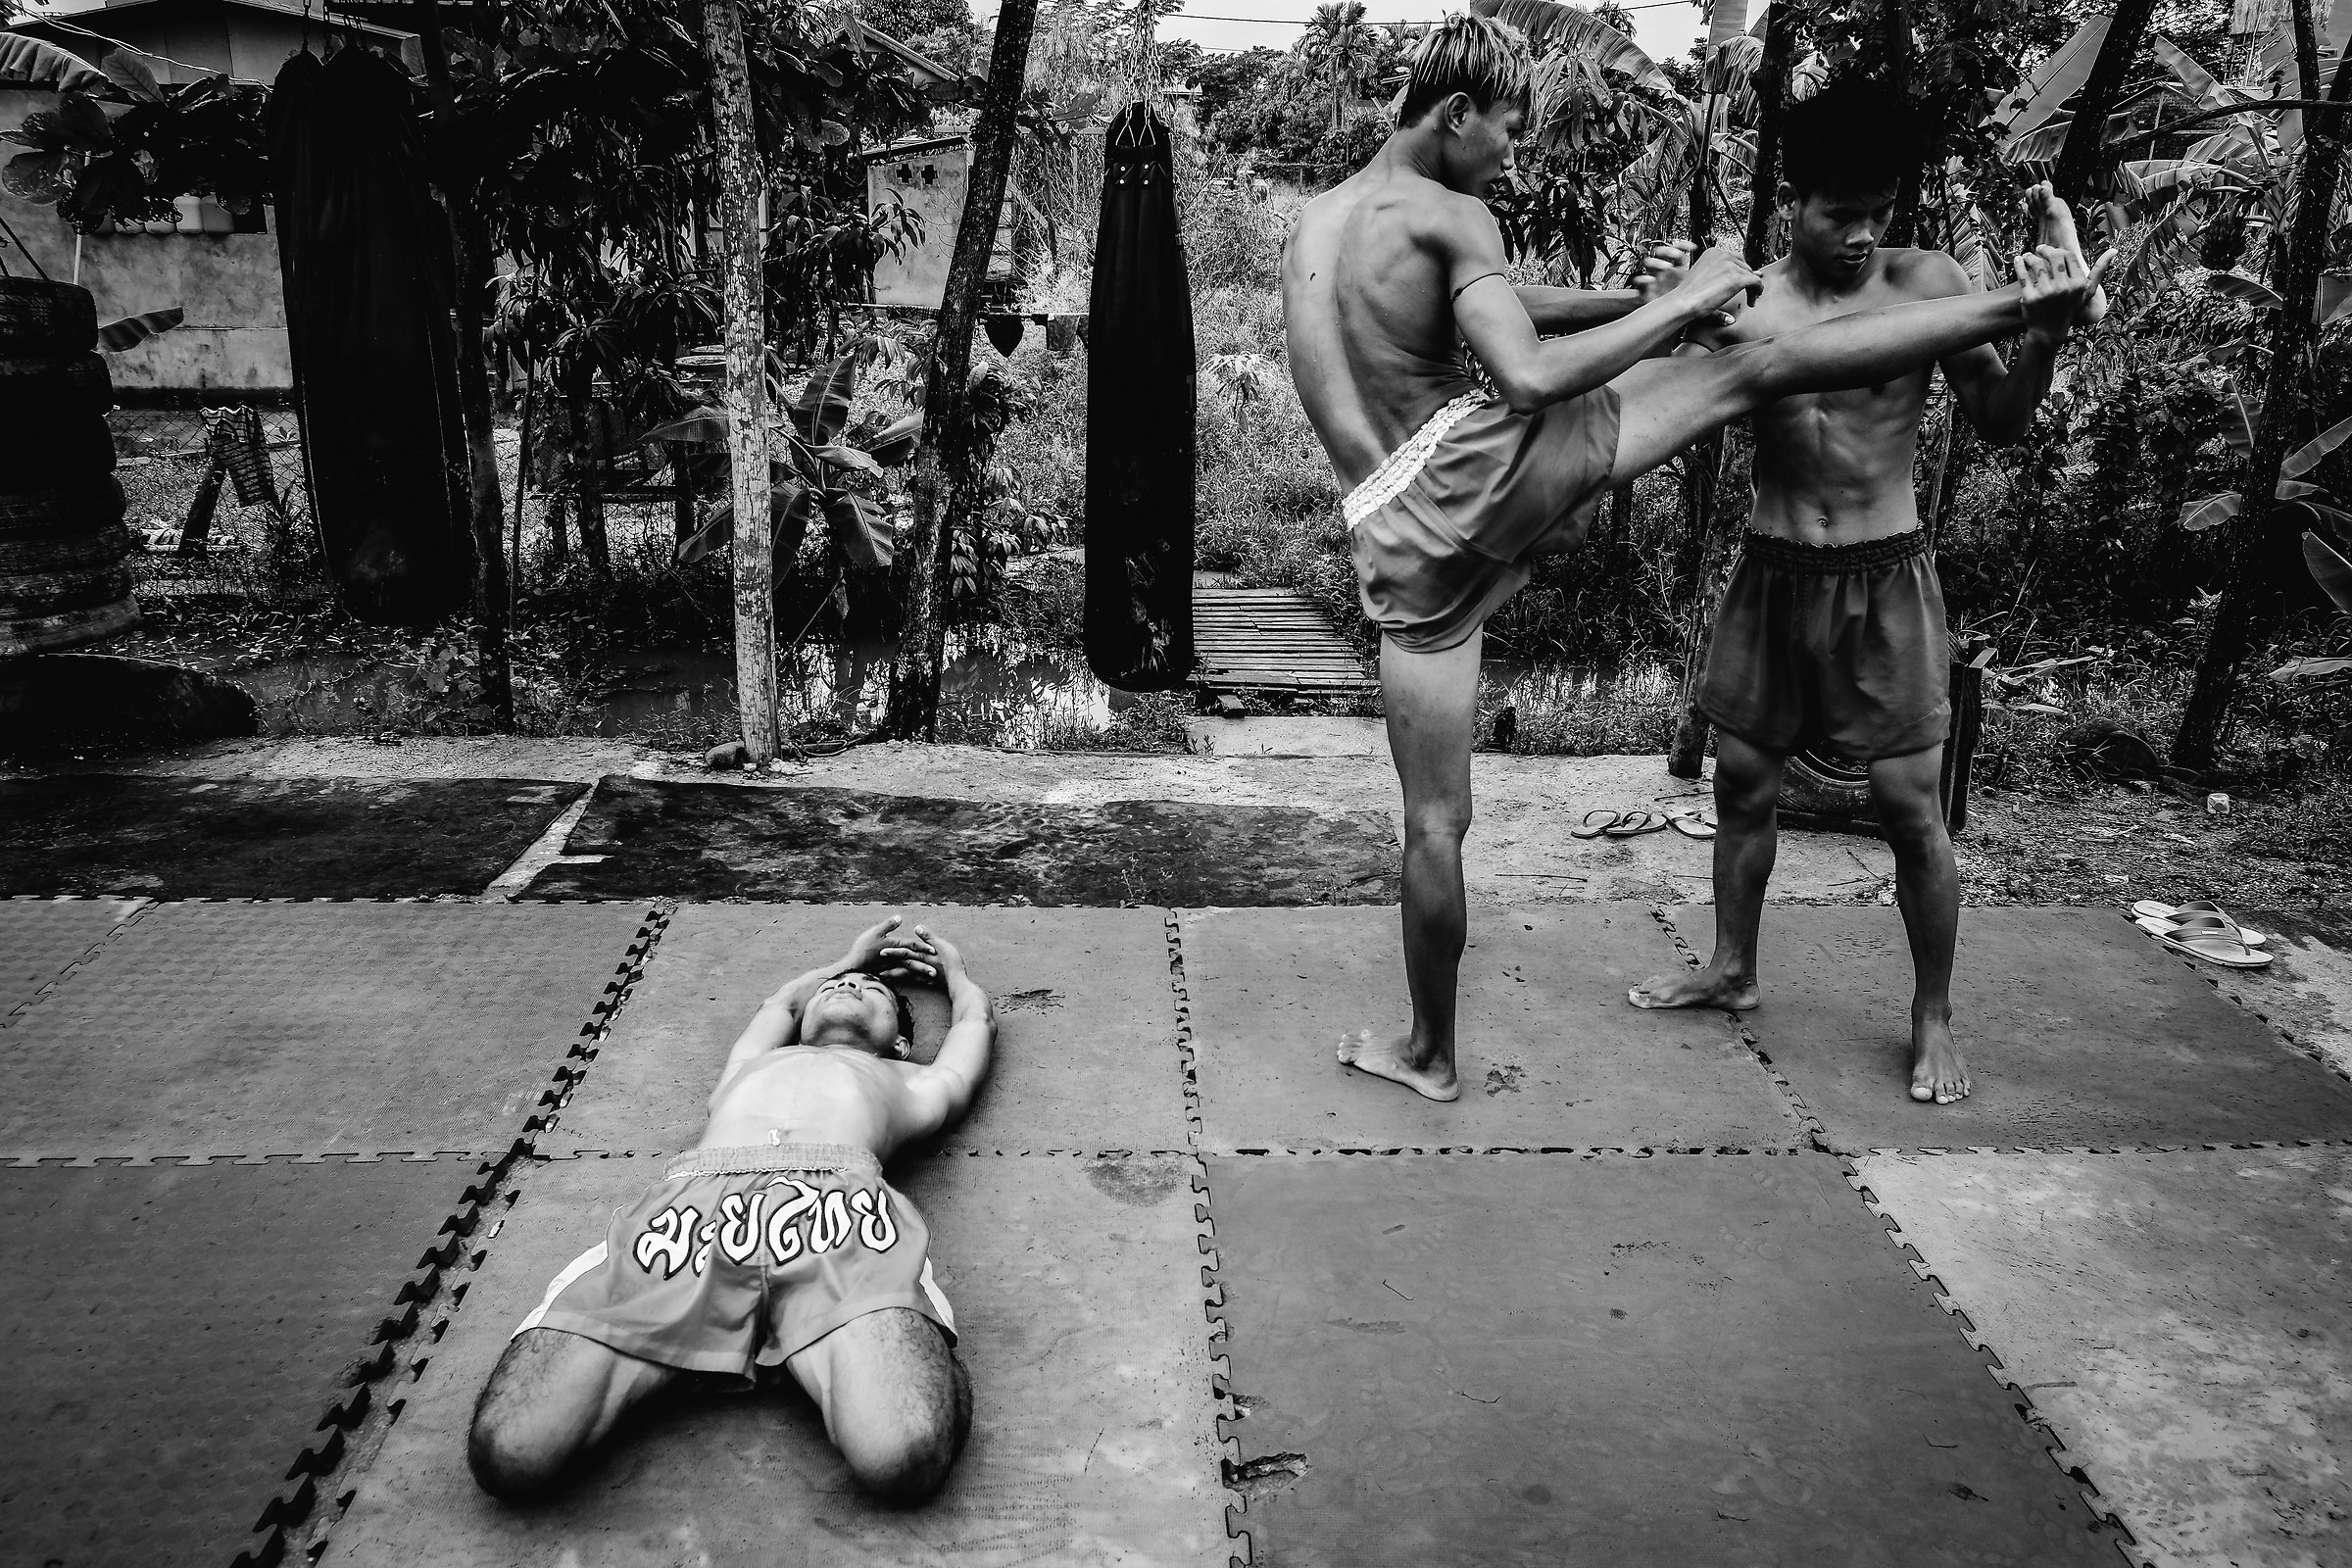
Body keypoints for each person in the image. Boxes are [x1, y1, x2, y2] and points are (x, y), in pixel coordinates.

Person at [1281, 15, 2104, 1103]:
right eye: (1509, 138)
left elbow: (1474, 314)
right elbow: (1526, 375)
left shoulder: (1317, 225)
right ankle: (2040, 293)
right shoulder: (1461, 213)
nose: (1514, 161)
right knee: (1757, 372)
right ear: (1456, 116)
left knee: (1434, 821)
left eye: (1874, 215)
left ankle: (1428, 1052)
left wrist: (1645, 304)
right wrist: (1675, 303)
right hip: (1496, 472)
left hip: (1391, 524)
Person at [1627, 80, 2098, 1105]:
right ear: (1797, 201)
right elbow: (1652, 393)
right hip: (1773, 571)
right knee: (1741, 785)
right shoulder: (1748, 303)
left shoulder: (1928, 283)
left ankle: (1931, 1016)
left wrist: (2049, 331)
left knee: (1908, 810)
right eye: (1841, 211)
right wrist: (1660, 306)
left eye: (1878, 209)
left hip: (1885, 577)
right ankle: (1734, 968)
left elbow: (2005, 419)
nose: (1860, 232)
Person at [467, 915, 993, 1503]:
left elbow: (974, 1023)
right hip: (689, 1218)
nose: (849, 987)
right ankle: (721, 1351)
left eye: (872, 991)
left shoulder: (916, 1082)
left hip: (838, 1215)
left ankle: (766, 1348)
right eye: (836, 987)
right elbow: (778, 1004)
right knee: (510, 1454)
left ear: (900, 1042)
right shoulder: (749, 1065)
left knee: (906, 1458)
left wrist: (955, 972)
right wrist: (848, 960)